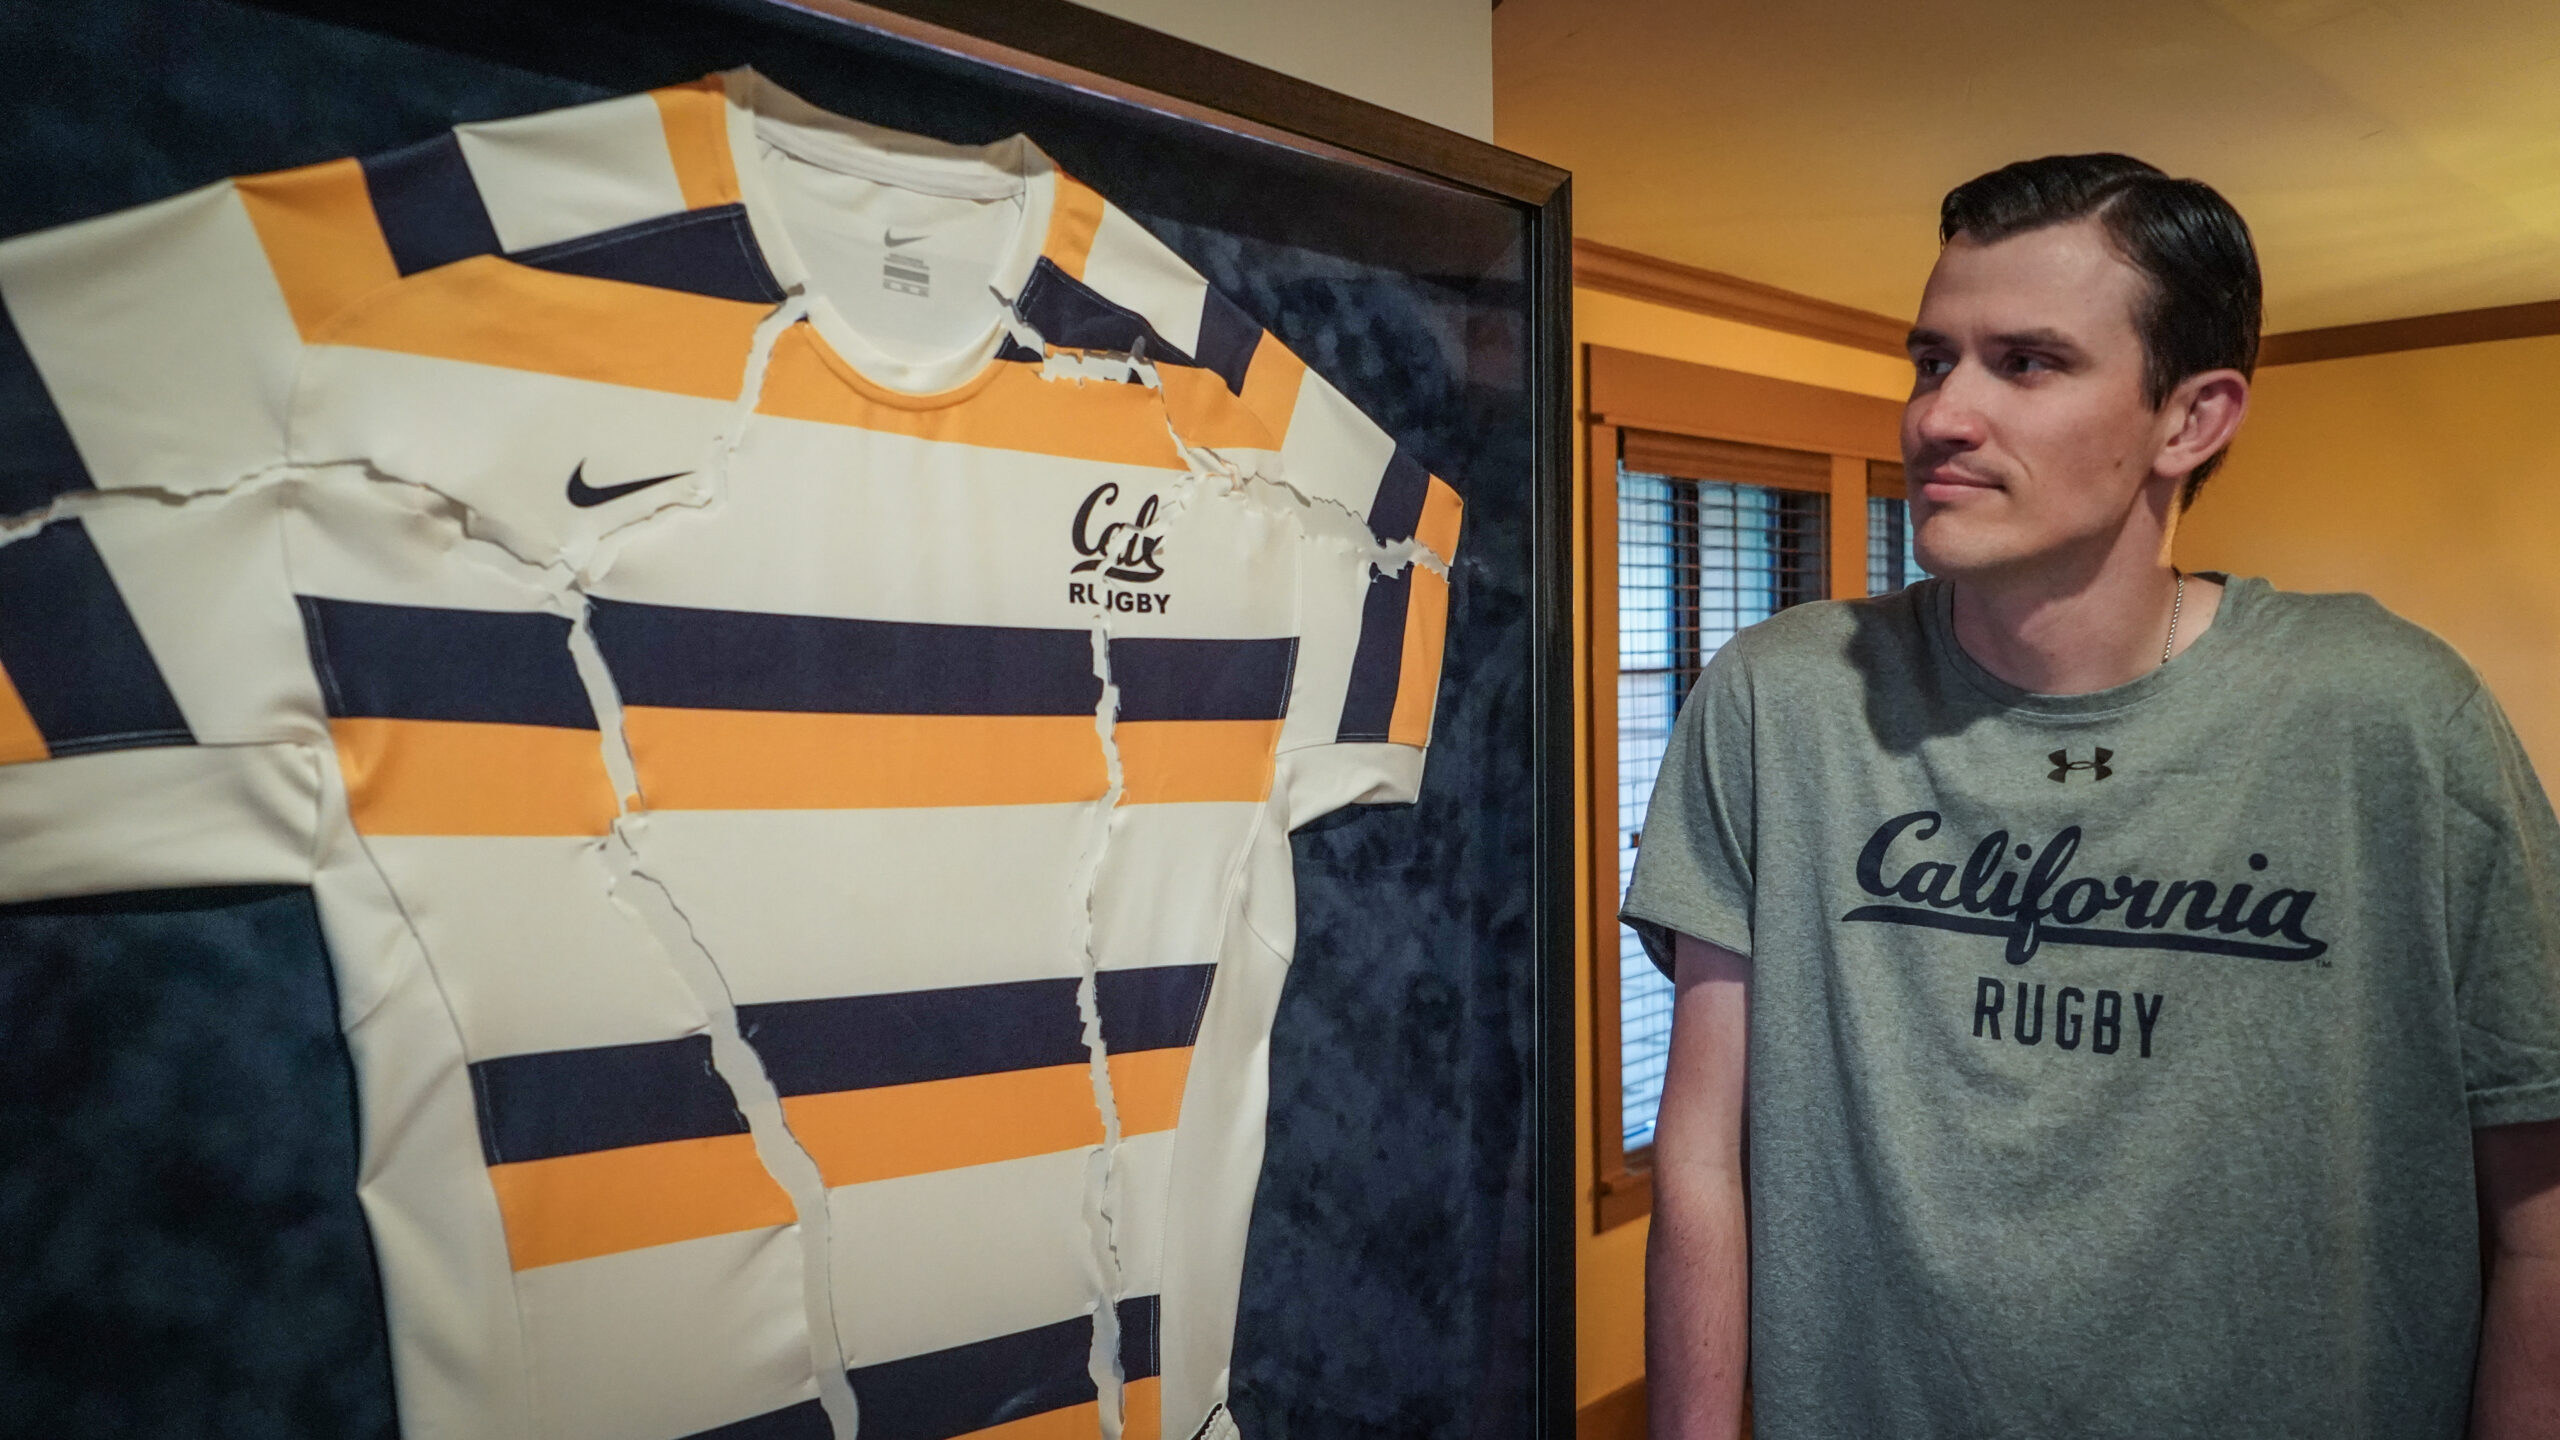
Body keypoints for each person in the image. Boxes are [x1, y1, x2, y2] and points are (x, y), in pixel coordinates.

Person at [1624, 153, 2560, 1439]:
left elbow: (2539, 1217)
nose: (1941, 415)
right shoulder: (1780, 700)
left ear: (2191, 420)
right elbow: (1699, 1159)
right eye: (1931, 362)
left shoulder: (2392, 716)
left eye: (2025, 363)